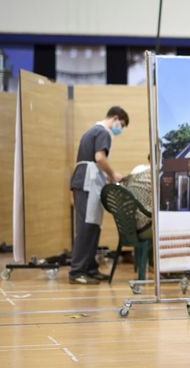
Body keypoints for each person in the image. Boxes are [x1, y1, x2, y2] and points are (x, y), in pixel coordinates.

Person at [69, 106, 128, 285]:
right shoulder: (103, 132)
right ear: (116, 118)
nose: (120, 129)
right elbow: (100, 158)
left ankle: (90, 268)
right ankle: (77, 271)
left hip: (88, 180)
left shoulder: (92, 131)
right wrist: (113, 174)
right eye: (122, 125)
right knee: (86, 227)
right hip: (88, 181)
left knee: (93, 226)